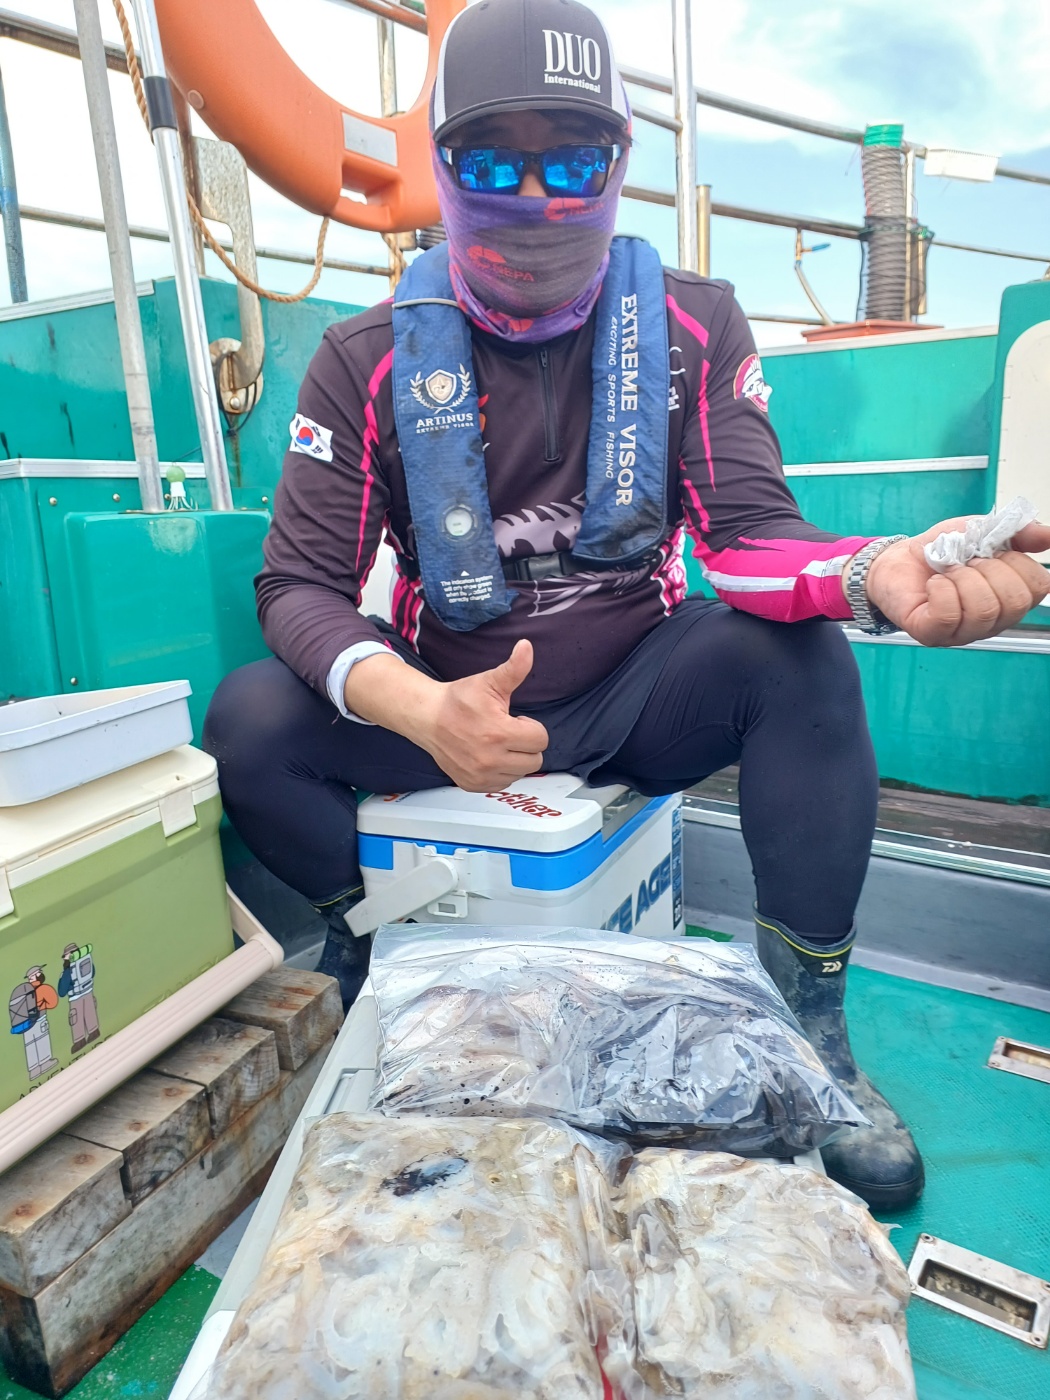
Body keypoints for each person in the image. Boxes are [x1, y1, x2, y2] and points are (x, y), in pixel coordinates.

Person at [204, 0, 1050, 1210]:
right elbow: (299, 583)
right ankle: (378, 937)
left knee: (804, 661)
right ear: (441, 165)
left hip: (640, 694)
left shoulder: (695, 324)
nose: (534, 196)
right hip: (450, 703)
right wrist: (422, 706)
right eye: (492, 160)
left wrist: (873, 573)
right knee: (247, 719)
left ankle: (812, 1027)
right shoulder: (361, 358)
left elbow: (749, 536)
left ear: (619, 163)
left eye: (572, 161)